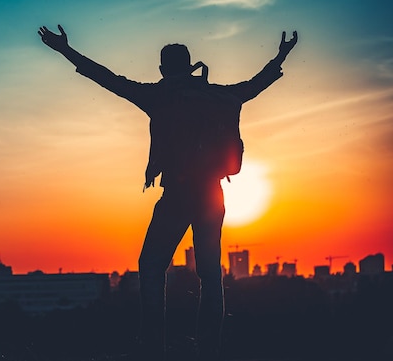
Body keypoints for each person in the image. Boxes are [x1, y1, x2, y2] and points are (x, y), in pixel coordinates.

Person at [38, 24, 298, 360]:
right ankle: (210, 349)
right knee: (210, 273)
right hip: (213, 196)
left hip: (177, 195)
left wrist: (64, 49)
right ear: (189, 66)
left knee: (150, 266)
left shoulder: (157, 96)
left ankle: (152, 347)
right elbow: (255, 85)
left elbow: (107, 79)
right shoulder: (219, 95)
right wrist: (282, 53)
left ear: (163, 70)